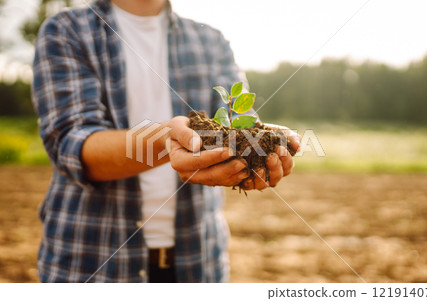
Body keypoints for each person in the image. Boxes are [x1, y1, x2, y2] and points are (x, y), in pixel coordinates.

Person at [32, 0, 299, 282]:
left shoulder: (210, 41)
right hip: (93, 261)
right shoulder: (67, 31)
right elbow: (74, 148)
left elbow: (240, 120)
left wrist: (256, 152)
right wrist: (165, 140)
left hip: (198, 262)